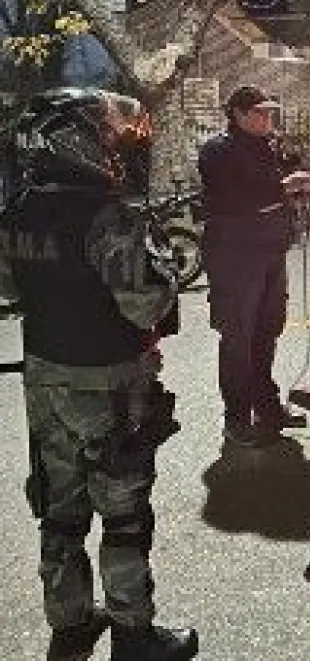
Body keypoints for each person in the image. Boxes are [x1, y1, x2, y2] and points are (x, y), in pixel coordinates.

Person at [0, 88, 197, 659]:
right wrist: (157, 256)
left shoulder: (17, 210)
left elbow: (9, 292)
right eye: (107, 132)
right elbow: (148, 304)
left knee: (59, 510)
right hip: (109, 382)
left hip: (45, 378)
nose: (117, 142)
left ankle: (70, 624)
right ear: (76, 140)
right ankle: (135, 637)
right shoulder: (108, 215)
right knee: (124, 513)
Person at [198, 85, 310, 447]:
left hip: (269, 252)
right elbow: (239, 195)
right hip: (234, 255)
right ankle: (235, 418)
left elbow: (280, 186)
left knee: (268, 331)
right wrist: (285, 187)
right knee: (237, 338)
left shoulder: (269, 146)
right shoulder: (218, 150)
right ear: (237, 114)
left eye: (269, 112)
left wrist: (304, 178)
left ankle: (268, 407)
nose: (267, 119)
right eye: (259, 113)